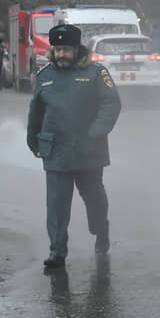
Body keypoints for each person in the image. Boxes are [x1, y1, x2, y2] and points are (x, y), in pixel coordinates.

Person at [27, 24, 121, 270]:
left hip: (89, 151)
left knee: (95, 200)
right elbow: (36, 111)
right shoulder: (45, 75)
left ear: (77, 49)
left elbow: (111, 105)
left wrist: (95, 134)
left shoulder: (95, 73)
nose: (60, 55)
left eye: (66, 50)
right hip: (56, 151)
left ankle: (101, 232)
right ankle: (57, 252)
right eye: (57, 49)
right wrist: (33, 140)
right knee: (56, 206)